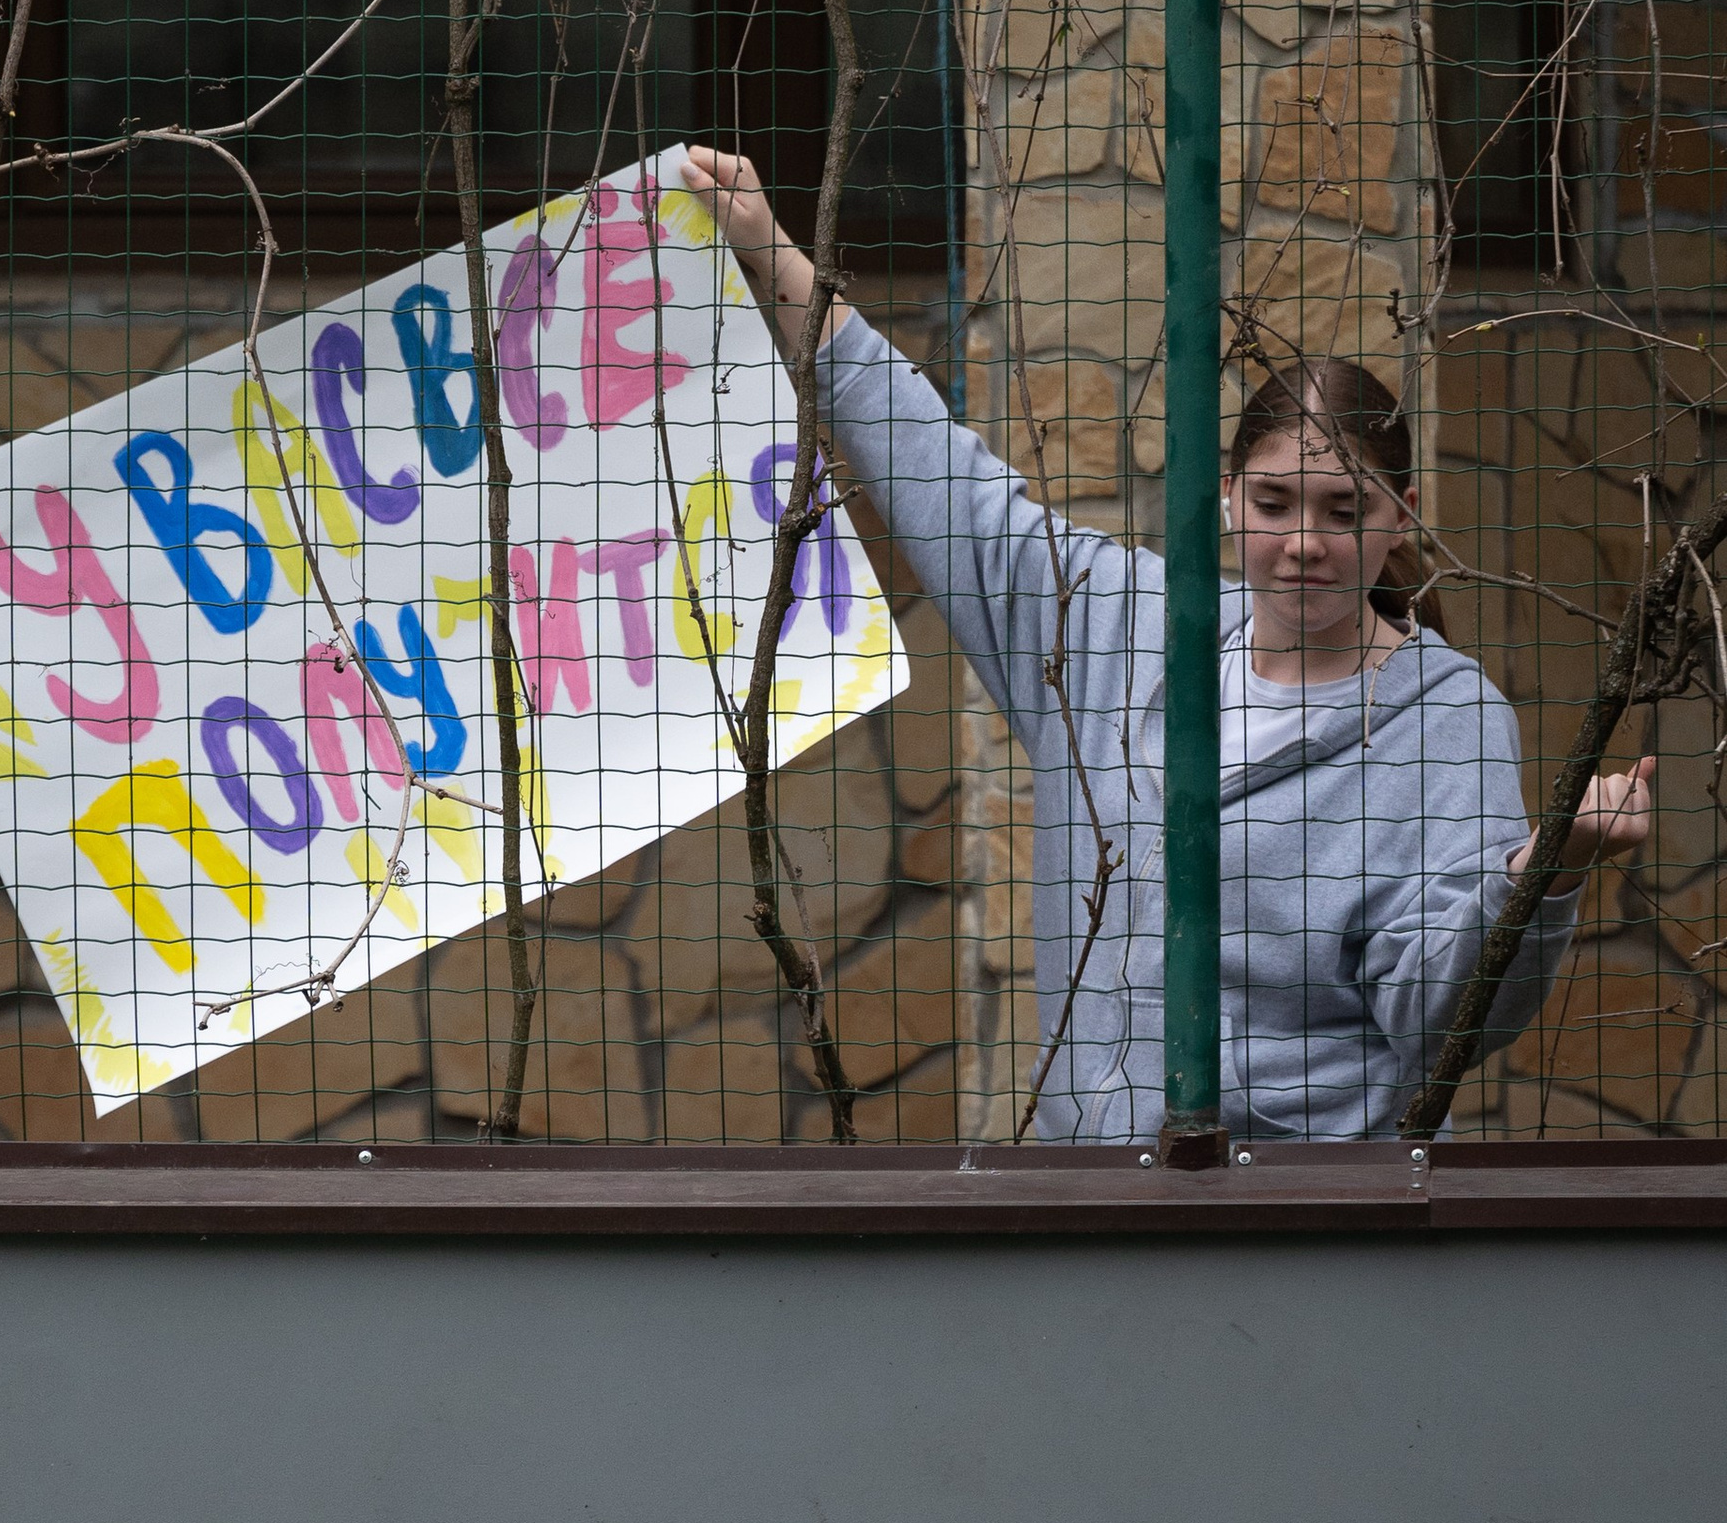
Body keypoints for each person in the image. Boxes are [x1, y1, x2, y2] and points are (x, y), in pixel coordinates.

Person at [682, 146, 1653, 1141]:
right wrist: (771, 253)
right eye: (1274, 501)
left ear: (1399, 514)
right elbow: (943, 482)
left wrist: (1540, 875)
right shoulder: (1119, 628)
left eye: (1342, 506)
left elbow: (1435, 1018)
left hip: (1312, 1198)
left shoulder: (1447, 714)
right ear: (1229, 499)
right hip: (1092, 1189)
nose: (1305, 540)